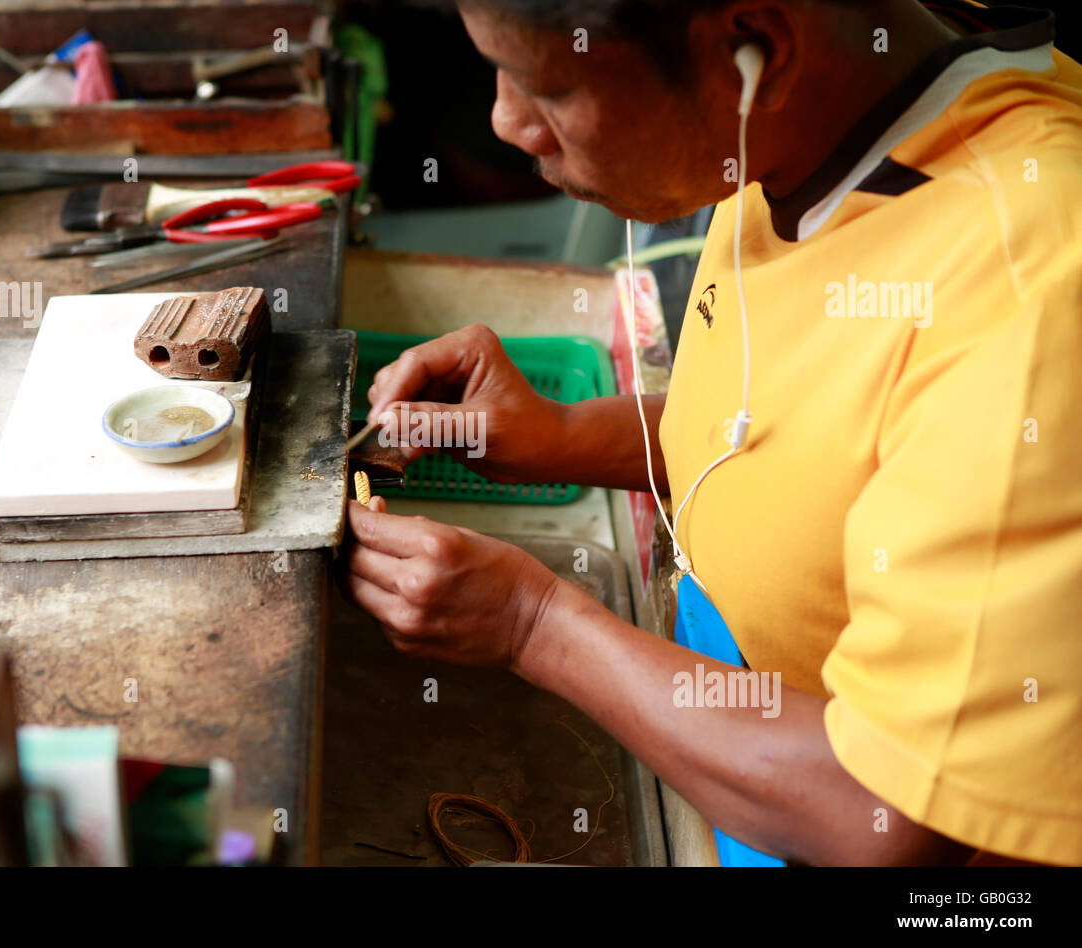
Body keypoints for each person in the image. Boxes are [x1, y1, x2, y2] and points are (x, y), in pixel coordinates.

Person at [339, 0, 1082, 865]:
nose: (507, 121)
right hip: (725, 718)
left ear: (755, 51)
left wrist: (534, 623)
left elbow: (887, 812)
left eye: (550, 84)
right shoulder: (805, 133)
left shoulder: (1027, 290)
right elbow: (801, 435)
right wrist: (560, 435)